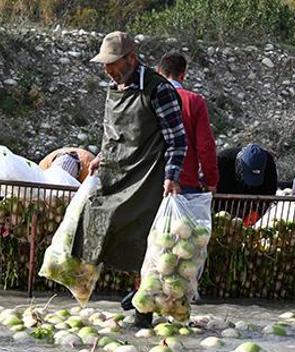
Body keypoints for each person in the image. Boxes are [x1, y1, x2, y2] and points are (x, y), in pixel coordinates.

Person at [81, 31, 188, 328]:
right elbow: (111, 132)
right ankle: (133, 296)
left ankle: (143, 312)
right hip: (117, 173)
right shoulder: (114, 88)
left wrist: (171, 176)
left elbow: (177, 140)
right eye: (105, 64)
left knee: (144, 243)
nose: (107, 69)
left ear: (131, 58)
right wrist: (102, 156)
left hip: (149, 178)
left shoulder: (158, 90)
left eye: (112, 63)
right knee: (100, 224)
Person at [156, 51, 218, 193]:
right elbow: (205, 145)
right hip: (185, 182)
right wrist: (211, 180)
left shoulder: (150, 99)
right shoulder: (194, 101)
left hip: (152, 181)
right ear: (182, 76)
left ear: (159, 71)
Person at [215, 144, 279, 224]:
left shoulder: (268, 163)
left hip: (251, 205)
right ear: (240, 166)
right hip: (224, 203)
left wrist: (256, 211)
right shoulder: (222, 162)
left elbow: (269, 192)